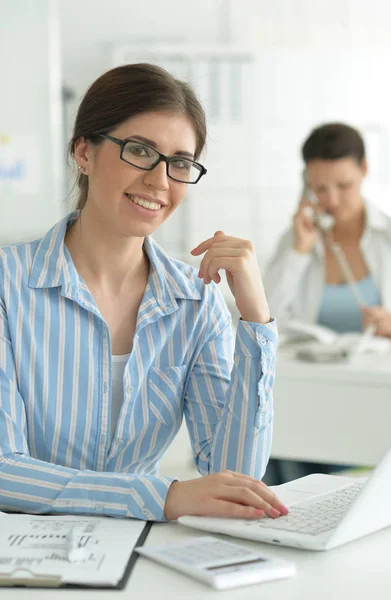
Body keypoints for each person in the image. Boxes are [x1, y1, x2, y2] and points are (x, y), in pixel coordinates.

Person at [0, 63, 288, 522]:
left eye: (180, 162)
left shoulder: (196, 301)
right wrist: (159, 497)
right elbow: (4, 471)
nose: (160, 181)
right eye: (139, 151)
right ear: (84, 154)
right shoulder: (8, 285)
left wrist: (255, 320)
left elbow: (233, 479)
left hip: (141, 555)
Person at [263, 122, 391, 485]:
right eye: (320, 189)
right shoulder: (296, 242)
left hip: (374, 399)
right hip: (310, 395)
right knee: (275, 453)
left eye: (344, 186)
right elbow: (262, 315)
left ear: (365, 170)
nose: (332, 200)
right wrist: (299, 251)